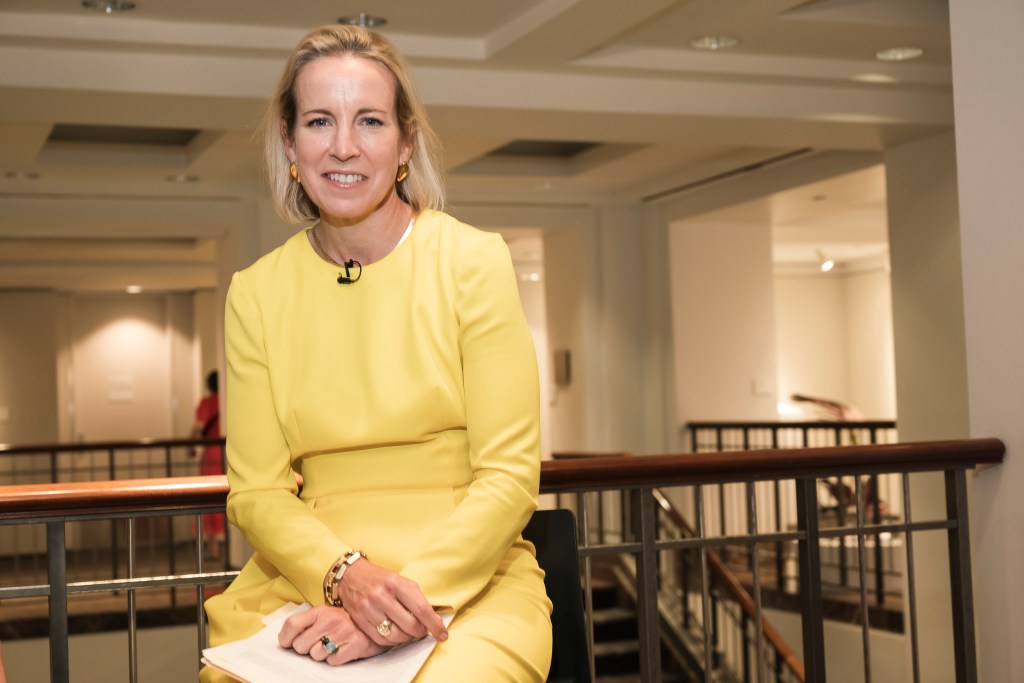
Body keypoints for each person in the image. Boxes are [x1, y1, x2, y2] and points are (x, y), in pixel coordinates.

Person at [200, 24, 552, 682]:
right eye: (317, 121)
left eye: (368, 120)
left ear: (405, 144)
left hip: (465, 585)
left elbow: (508, 476)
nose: (343, 146)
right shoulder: (255, 293)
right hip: (307, 579)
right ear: (289, 143)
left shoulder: (473, 261)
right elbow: (257, 492)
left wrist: (387, 606)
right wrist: (346, 579)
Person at [190, 370, 225, 560]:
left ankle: (212, 545)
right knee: (224, 497)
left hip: (211, 453)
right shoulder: (228, 400)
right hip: (227, 452)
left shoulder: (207, 403)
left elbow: (199, 427)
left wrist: (190, 440)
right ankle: (221, 543)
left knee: (209, 497)